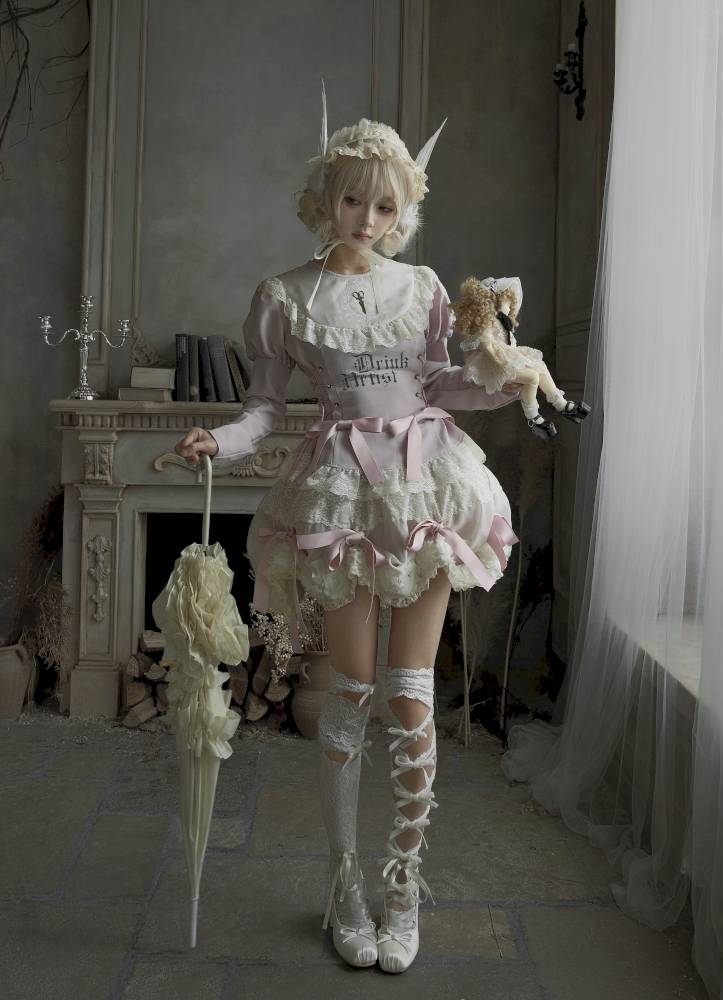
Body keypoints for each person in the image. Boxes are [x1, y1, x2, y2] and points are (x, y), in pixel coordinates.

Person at [175, 89, 523, 975]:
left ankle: (403, 887)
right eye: (353, 199)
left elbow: (442, 385)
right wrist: (221, 439)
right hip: (340, 499)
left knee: (411, 693)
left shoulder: (424, 289)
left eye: (385, 206)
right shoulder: (285, 296)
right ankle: (345, 886)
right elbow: (265, 409)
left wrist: (507, 375)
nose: (367, 218)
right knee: (352, 694)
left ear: (404, 212)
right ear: (325, 198)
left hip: (425, 488)